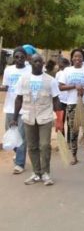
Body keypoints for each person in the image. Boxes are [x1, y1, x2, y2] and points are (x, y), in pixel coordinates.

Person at [11, 54, 62, 185]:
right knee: (32, 146)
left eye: (40, 61)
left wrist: (59, 120)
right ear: (31, 63)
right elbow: (18, 99)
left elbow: (56, 100)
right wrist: (15, 117)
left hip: (45, 117)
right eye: (35, 61)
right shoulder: (23, 79)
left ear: (43, 63)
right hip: (28, 117)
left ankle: (45, 173)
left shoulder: (51, 80)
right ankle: (36, 173)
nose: (38, 64)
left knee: (44, 145)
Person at [59, 48, 84, 166]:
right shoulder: (67, 71)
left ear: (83, 58)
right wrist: (75, 86)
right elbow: (61, 87)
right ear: (72, 58)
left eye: (80, 57)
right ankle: (74, 156)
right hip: (72, 103)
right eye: (75, 56)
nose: (77, 59)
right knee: (73, 130)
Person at [0, 47, 31, 174]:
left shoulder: (29, 70)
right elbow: (6, 86)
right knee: (10, 135)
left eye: (21, 57)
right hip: (9, 107)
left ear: (25, 58)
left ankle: (19, 164)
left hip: (24, 108)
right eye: (16, 57)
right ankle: (18, 153)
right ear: (13, 58)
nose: (19, 59)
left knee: (21, 136)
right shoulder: (9, 70)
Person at [55, 58, 70, 141]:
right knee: (64, 122)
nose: (59, 65)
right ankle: (66, 141)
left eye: (61, 63)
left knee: (64, 121)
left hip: (65, 101)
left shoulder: (63, 73)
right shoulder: (59, 73)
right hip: (62, 100)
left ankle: (66, 141)